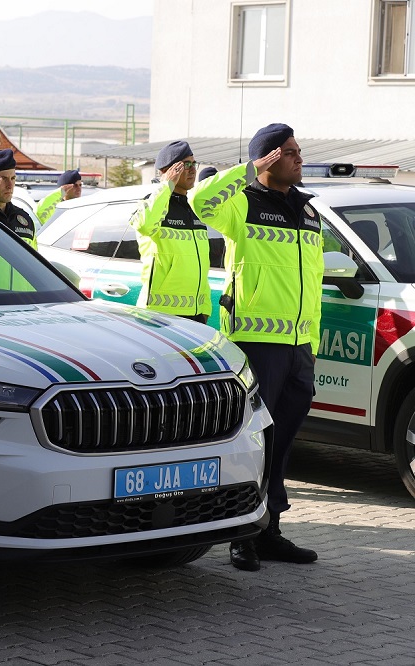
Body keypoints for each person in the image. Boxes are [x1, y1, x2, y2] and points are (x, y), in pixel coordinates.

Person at [191, 123, 321, 572]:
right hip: (256, 341)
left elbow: (314, 283)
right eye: (290, 153)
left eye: (299, 151)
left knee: (281, 443)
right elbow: (199, 200)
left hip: (298, 346)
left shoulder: (308, 211)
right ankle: (241, 537)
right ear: (268, 158)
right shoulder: (241, 203)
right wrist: (247, 170)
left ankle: (270, 530)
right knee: (254, 441)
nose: (299, 159)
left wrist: (313, 345)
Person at [130, 141, 211, 324]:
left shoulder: (192, 208)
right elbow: (144, 225)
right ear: (168, 170)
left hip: (196, 315)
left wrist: (205, 307)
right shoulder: (151, 203)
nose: (192, 170)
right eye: (185, 165)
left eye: (193, 164)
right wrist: (166, 186)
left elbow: (200, 263)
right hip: (161, 314)